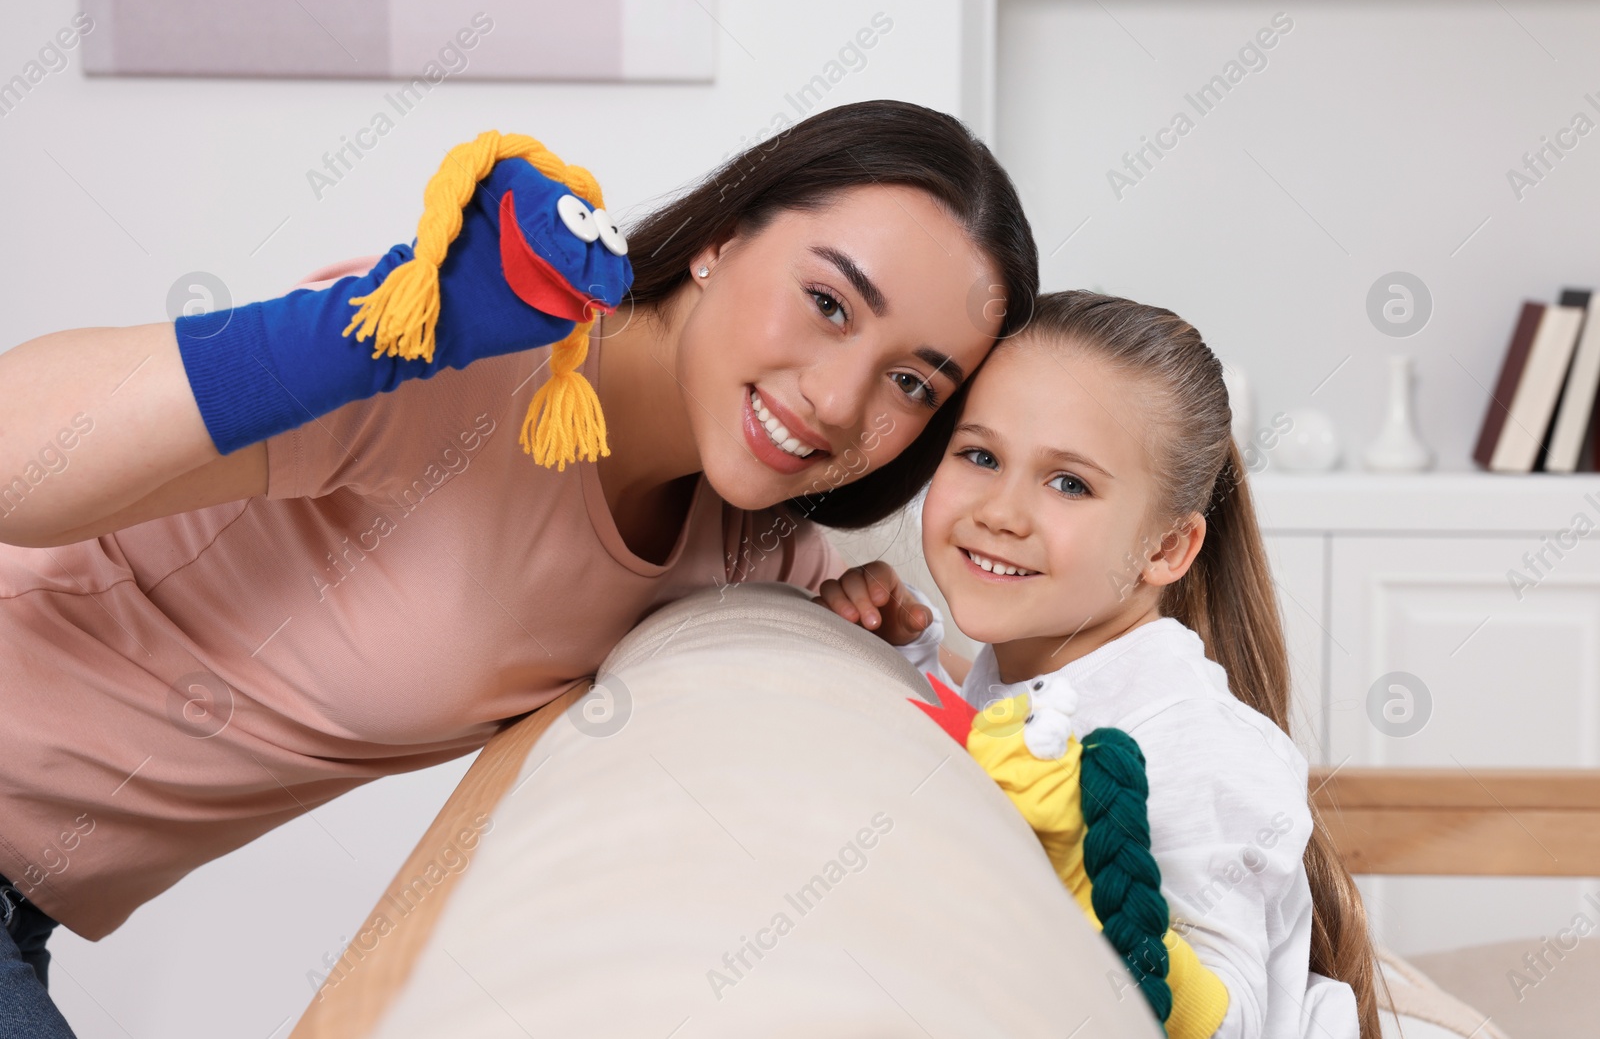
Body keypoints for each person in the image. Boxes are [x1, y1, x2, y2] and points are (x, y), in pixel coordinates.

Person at [0, 99, 1038, 1035]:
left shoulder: (740, 549)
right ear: (722, 240)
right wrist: (356, 334)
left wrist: (859, 619)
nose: (843, 398)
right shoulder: (470, 364)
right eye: (828, 302)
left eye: (910, 379)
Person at [813, 291, 1384, 1038]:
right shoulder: (1036, 663)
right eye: (980, 455)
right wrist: (903, 652)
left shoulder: (1202, 744)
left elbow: (1226, 1020)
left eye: (1069, 482)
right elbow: (1004, 749)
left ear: (1165, 549)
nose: (1001, 512)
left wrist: (1093, 885)